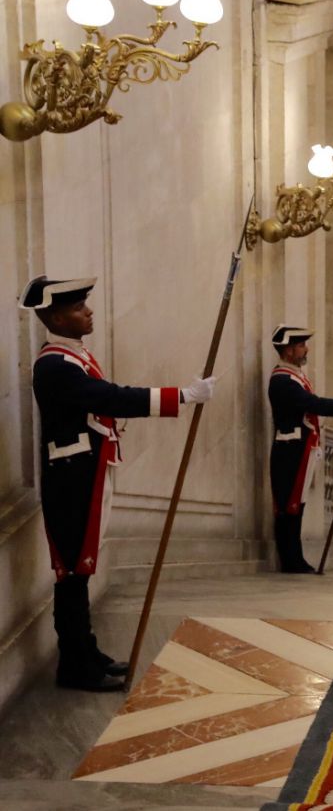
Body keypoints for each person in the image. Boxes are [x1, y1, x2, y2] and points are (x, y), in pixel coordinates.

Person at [22, 276, 216, 691]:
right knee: (72, 574)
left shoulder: (72, 356)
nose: (89, 312)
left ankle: (86, 652)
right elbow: (110, 397)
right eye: (78, 308)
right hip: (71, 481)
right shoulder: (55, 365)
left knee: (80, 573)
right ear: (56, 318)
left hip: (84, 473)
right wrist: (182, 396)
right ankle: (75, 667)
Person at [268, 325, 333, 574]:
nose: (306, 349)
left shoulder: (294, 377)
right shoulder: (283, 380)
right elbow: (313, 404)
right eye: (301, 345)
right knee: (288, 507)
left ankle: (295, 558)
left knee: (297, 505)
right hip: (290, 449)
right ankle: (290, 560)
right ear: (288, 350)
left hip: (299, 448)